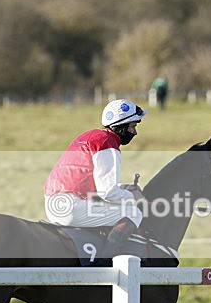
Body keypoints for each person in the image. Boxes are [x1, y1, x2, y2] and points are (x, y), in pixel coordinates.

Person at [44, 99, 146, 257]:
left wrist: (122, 188)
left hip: (53, 203)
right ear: (122, 126)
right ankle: (106, 262)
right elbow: (108, 193)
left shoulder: (90, 136)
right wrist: (133, 197)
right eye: (133, 126)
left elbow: (96, 182)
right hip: (71, 208)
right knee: (133, 213)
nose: (135, 132)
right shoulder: (108, 144)